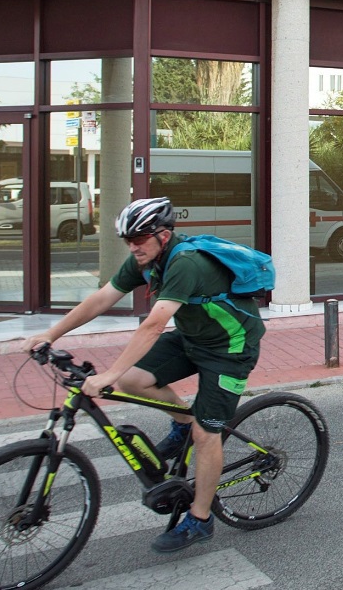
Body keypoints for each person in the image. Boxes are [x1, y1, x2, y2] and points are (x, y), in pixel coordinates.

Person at [25, 196, 264, 555]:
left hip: (230, 347)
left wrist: (108, 373)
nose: (132, 246)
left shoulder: (185, 263)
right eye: (128, 240)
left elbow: (153, 324)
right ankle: (183, 423)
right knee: (133, 381)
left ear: (163, 236)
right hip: (192, 338)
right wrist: (50, 334)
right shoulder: (147, 260)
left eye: (138, 239)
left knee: (207, 433)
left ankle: (200, 519)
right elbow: (102, 298)